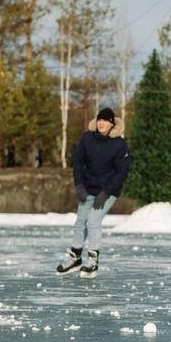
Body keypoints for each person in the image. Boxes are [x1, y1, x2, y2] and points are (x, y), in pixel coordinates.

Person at [56, 108, 130, 279]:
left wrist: (106, 193)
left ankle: (92, 261)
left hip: (108, 191)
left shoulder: (120, 144)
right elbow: (77, 161)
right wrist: (79, 185)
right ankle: (75, 258)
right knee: (80, 222)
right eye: (99, 120)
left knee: (93, 221)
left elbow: (122, 172)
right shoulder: (87, 138)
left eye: (105, 120)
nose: (101, 123)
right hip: (88, 188)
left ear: (112, 124)